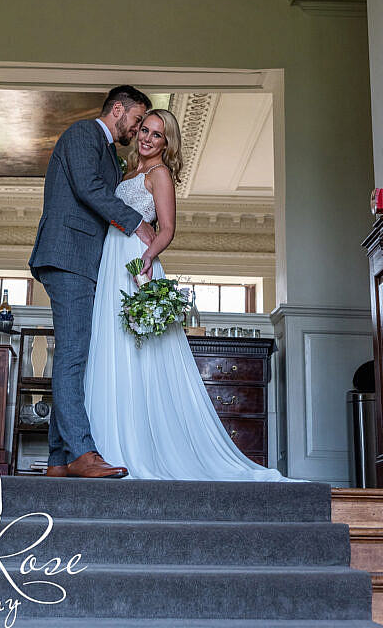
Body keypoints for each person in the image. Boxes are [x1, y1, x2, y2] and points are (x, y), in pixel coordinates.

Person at [82, 108, 288, 481]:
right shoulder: (127, 172)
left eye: (157, 135)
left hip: (134, 262)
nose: (146, 138)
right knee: (112, 346)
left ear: (167, 143)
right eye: (144, 129)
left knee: (140, 352)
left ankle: (139, 447)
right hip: (110, 259)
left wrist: (147, 257)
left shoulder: (159, 174)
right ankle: (108, 446)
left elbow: (168, 228)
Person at [29, 85, 156, 478]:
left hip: (83, 260)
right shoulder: (84, 134)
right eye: (136, 121)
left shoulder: (110, 155)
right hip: (69, 256)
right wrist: (137, 223)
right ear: (117, 109)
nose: (136, 131)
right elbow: (89, 189)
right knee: (73, 358)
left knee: (74, 357)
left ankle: (57, 461)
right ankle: (82, 453)